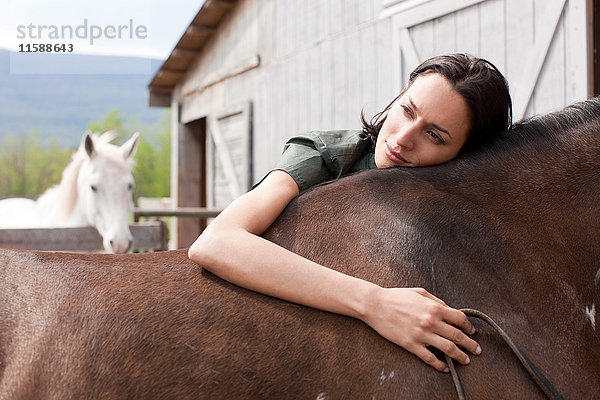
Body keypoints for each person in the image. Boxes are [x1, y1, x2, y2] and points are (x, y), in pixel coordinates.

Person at [188, 53, 513, 373]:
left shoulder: (461, 208)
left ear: (466, 154)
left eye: (434, 135)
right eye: (407, 111)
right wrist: (374, 303)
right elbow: (217, 242)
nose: (401, 139)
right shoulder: (325, 156)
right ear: (400, 95)